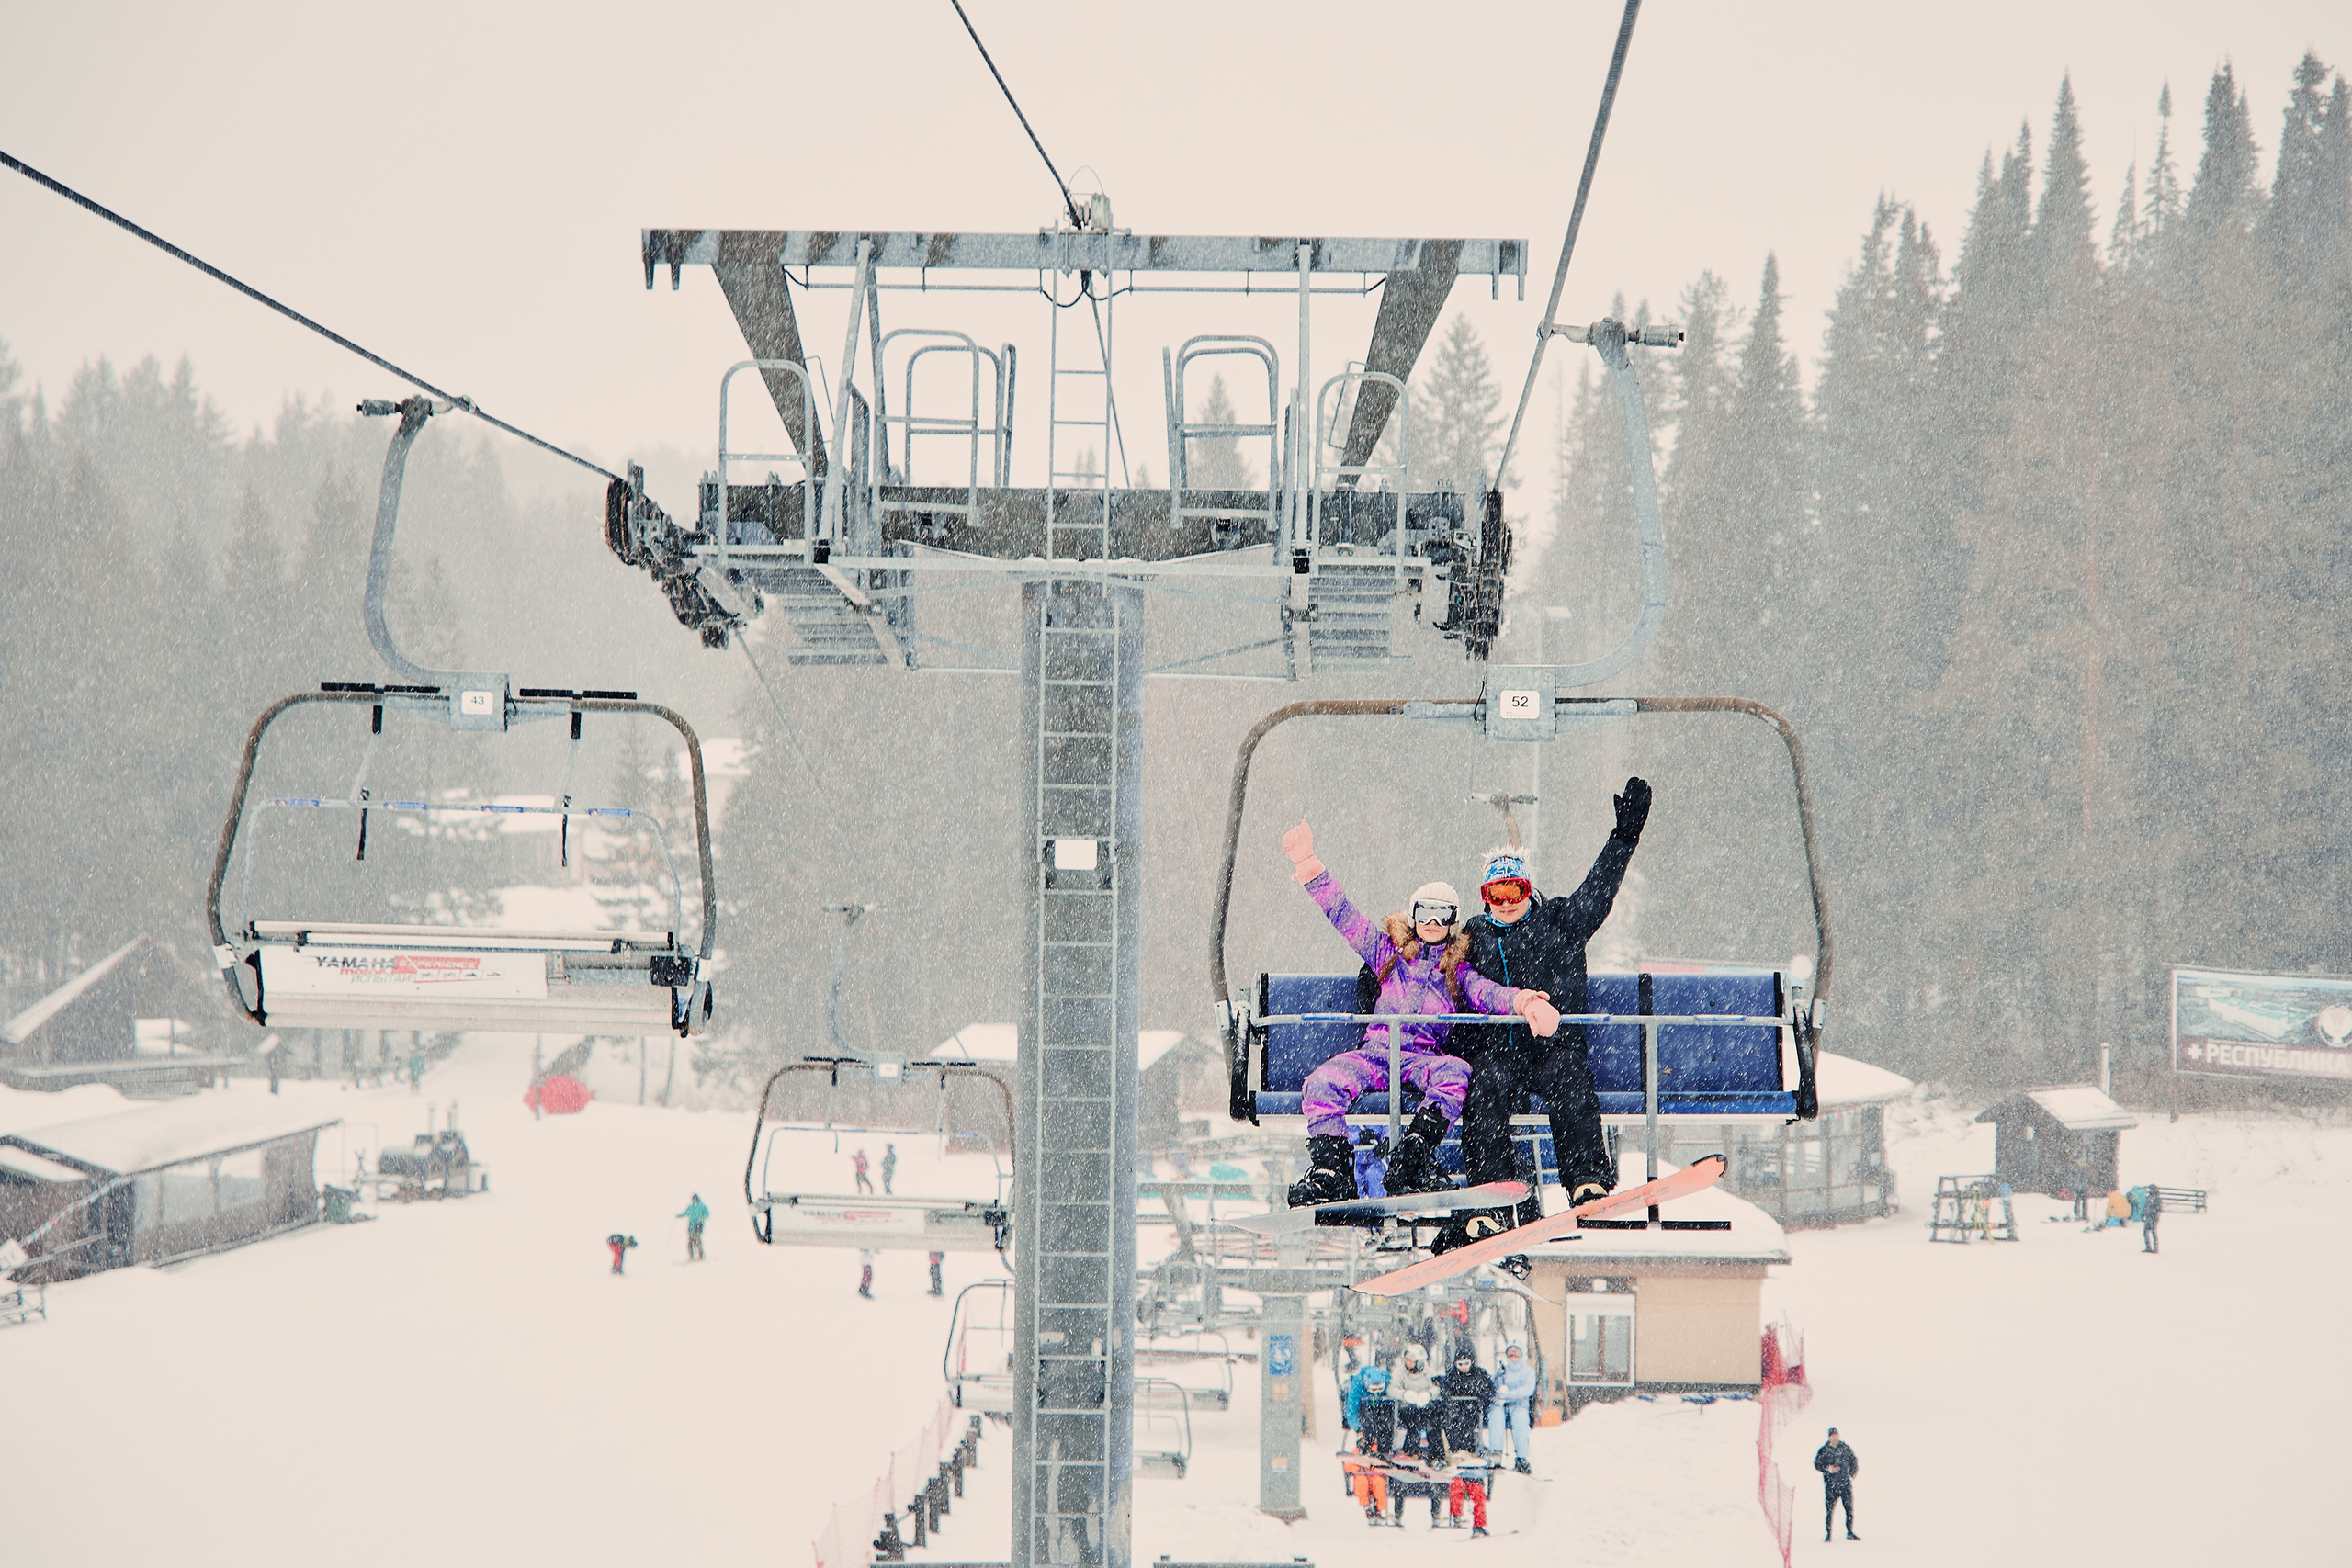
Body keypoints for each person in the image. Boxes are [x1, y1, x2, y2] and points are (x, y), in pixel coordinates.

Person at [1279, 821, 1563, 1207]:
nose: (1433, 923)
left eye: (1442, 915)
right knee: (1322, 1082)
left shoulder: (1457, 972)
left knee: (1457, 1072)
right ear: (1413, 916)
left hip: (1420, 1060)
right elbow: (1344, 916)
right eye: (1425, 913)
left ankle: (1414, 1155)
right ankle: (1332, 1171)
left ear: (1453, 921)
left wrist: (1526, 1002)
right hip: (1376, 1054)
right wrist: (1310, 865)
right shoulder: (1387, 954)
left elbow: (1490, 993)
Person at [1450, 779, 1652, 1242]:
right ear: (1483, 897)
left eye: (1514, 890)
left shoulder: (1560, 921)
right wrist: (1376, 970)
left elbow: (1598, 892)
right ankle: (1490, 1198)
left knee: (1570, 1078)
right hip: (1498, 1049)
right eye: (1495, 895)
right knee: (1484, 1088)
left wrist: (1624, 838)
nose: (1505, 904)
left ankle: (1586, 1180)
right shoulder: (1473, 937)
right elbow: (1425, 960)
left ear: (1528, 888)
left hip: (1551, 1044)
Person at [1488, 1338, 1537, 1472]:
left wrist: (1508, 1394)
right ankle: (1496, 1454)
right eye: (1510, 1353)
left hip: (1519, 1405)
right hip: (1501, 1405)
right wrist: (1497, 1394)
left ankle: (1522, 1457)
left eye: (1516, 1353)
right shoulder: (1502, 1371)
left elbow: (1527, 1390)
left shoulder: (1528, 1372)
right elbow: (1492, 1385)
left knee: (1521, 1422)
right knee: (1495, 1419)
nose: (1513, 1356)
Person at [1438, 1347, 1495, 1460]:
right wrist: (1450, 1401)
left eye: (1466, 1363)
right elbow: (1445, 1391)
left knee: (1467, 1422)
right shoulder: (1451, 1375)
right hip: (1456, 1408)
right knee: (1452, 1422)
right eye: (1460, 1364)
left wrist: (1480, 1397)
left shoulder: (1479, 1374)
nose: (1464, 1367)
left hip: (1473, 1409)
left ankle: (1469, 1450)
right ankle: (1455, 1451)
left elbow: (1489, 1389)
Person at [1391, 1345, 1444, 1462]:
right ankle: (1411, 1452)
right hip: (1407, 1407)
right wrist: (1404, 1394)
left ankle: (1437, 1456)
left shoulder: (1429, 1372)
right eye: (1407, 1360)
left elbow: (1437, 1387)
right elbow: (1392, 1389)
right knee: (1414, 1422)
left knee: (1433, 1422)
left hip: (1426, 1406)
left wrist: (1428, 1394)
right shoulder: (1400, 1373)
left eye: (1412, 1361)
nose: (1408, 1363)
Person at [1814, 1427, 1859, 1540]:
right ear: (1829, 1437)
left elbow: (1853, 1460)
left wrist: (1851, 1473)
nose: (1835, 1438)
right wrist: (1828, 1469)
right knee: (1829, 1510)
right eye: (1833, 1436)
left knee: (1849, 1509)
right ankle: (1828, 1534)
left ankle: (1849, 1531)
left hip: (1844, 1484)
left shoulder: (1845, 1448)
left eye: (1836, 1435)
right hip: (1831, 1485)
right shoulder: (1824, 1450)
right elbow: (1817, 1464)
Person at [678, 1193, 709, 1261]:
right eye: (693, 1199)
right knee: (690, 1240)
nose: (694, 1200)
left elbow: (707, 1213)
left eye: (695, 1198)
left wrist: (703, 1217)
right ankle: (691, 1256)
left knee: (697, 1239)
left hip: (699, 1224)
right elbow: (686, 1213)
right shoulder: (691, 1207)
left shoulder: (701, 1206)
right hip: (691, 1224)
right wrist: (679, 1216)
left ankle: (701, 1255)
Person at [2143, 1184, 2163, 1253]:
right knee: (2145, 1232)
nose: (2150, 1191)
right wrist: (2143, 1214)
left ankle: (2155, 1248)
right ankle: (2148, 1247)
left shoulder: (2157, 1199)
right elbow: (2145, 1206)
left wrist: (2155, 1214)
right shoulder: (2149, 1197)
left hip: (2154, 1218)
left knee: (2153, 1232)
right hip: (2148, 1217)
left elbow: (2159, 1209)